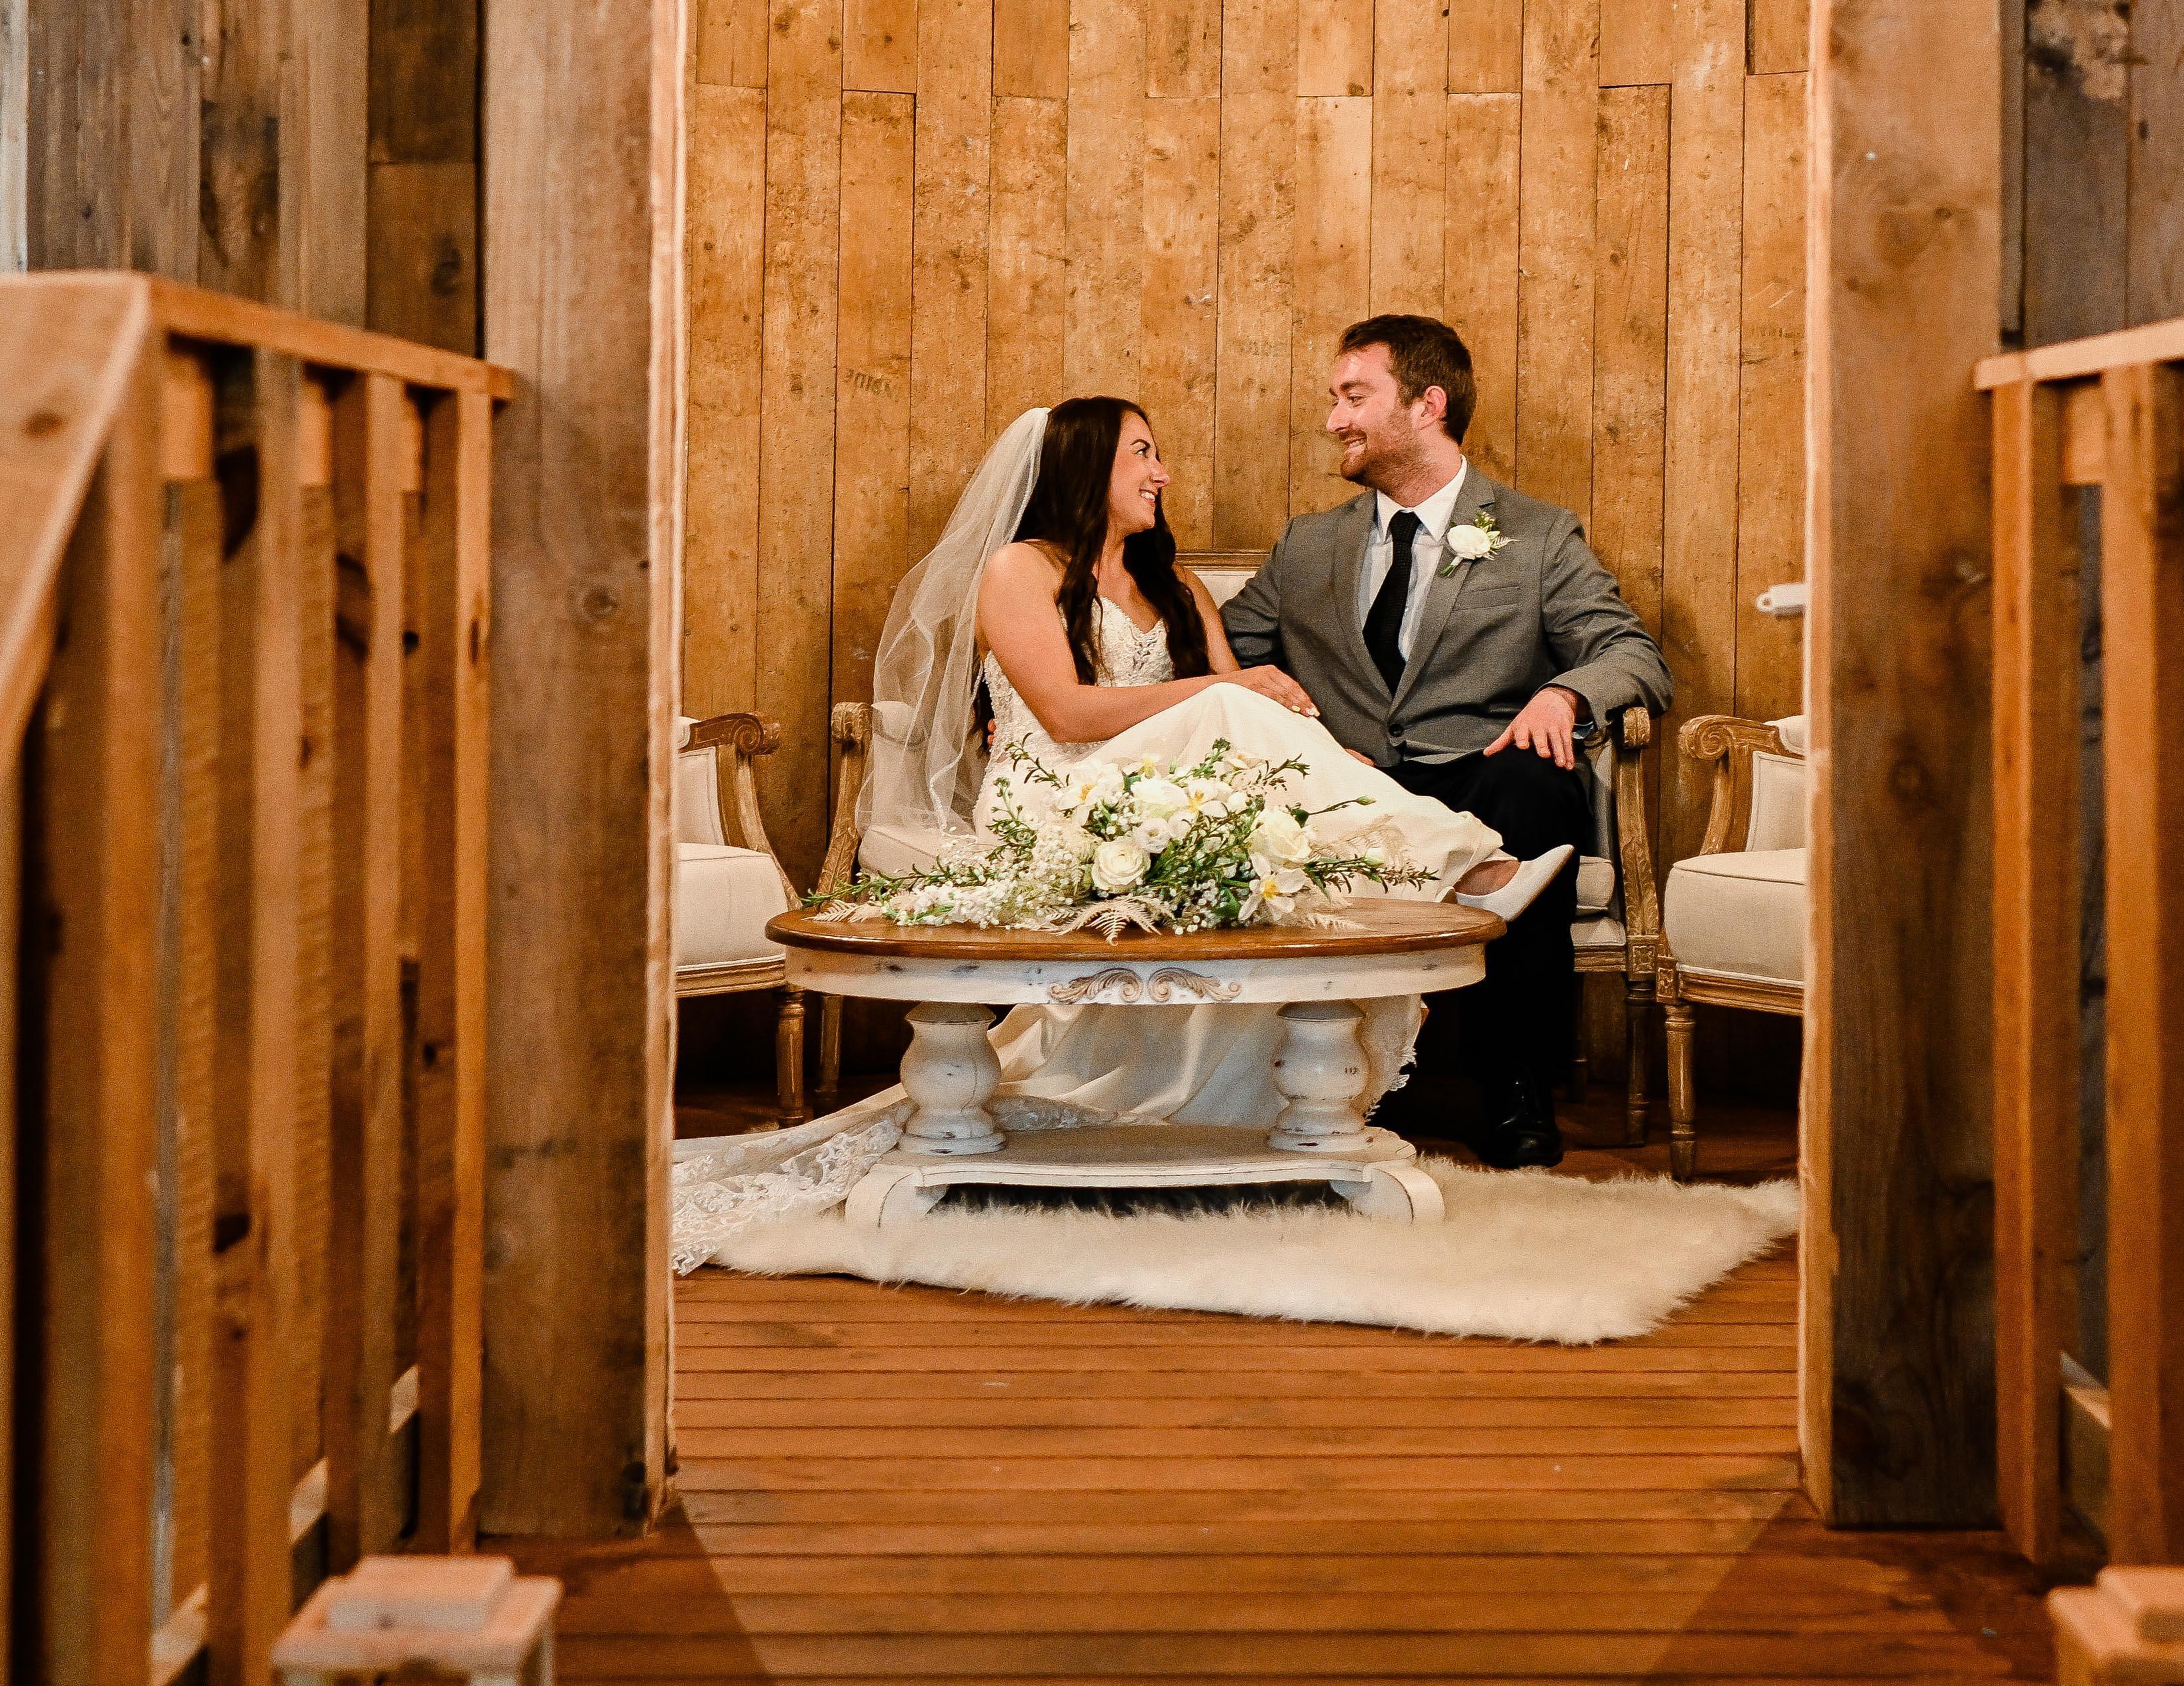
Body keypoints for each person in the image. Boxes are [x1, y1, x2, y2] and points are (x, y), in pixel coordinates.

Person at [665, 397, 1572, 1269]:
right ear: (1085, 463)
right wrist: (1226, 691)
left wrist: (1329, 757)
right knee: (1229, 706)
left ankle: (1376, 957)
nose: (1161, 472)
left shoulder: (1174, 585)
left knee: (1270, 766)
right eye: (1142, 452)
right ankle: (1464, 865)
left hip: (1159, 800)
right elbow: (1066, 713)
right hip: (1054, 798)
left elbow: (1251, 719)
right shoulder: (1018, 569)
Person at [1219, 315, 1672, 1170]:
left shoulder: (1538, 535)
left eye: (1354, 397)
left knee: (1534, 787)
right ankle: (1341, 1081)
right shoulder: (1308, 544)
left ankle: (1517, 1086)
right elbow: (1217, 654)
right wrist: (1298, 735)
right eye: (1335, 399)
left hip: (1481, 773)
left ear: (1427, 405)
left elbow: (1633, 653)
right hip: (1349, 781)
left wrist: (1564, 692)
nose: (1334, 419)